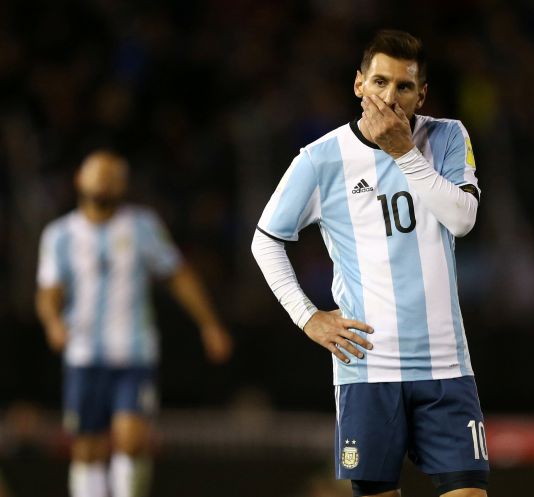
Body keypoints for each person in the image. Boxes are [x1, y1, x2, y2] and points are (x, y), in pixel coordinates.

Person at [251, 30, 488, 497]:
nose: (390, 96)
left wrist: (404, 153)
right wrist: (308, 317)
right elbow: (265, 241)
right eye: (380, 82)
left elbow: (462, 220)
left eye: (404, 86)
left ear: (422, 94)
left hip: (445, 366)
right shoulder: (321, 159)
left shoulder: (446, 137)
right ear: (359, 84)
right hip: (368, 369)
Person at [36, 151, 233, 497]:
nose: (105, 180)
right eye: (98, 173)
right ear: (79, 180)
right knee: (87, 448)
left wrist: (209, 324)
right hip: (83, 355)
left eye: (113, 174)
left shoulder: (142, 227)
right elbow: (49, 290)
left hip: (134, 353)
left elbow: (178, 276)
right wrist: (53, 322)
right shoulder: (60, 235)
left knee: (131, 439)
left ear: (123, 185)